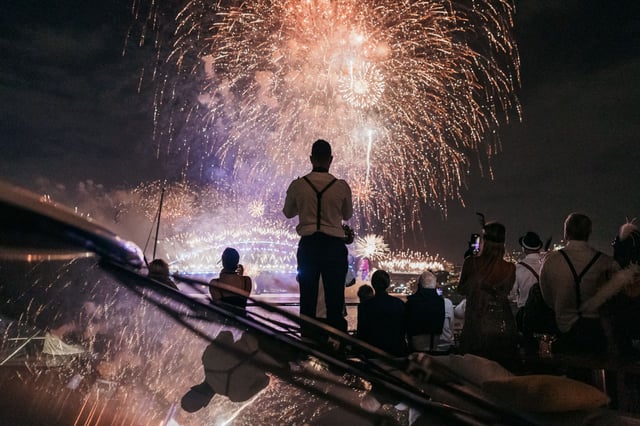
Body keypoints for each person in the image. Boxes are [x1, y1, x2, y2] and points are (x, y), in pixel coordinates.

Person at [283, 139, 353, 337]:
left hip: (309, 246)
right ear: (331, 160)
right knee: (335, 297)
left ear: (311, 159)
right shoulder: (341, 186)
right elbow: (347, 215)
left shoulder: (298, 185)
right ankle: (335, 344)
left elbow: (288, 212)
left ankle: (308, 341)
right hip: (334, 246)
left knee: (308, 297)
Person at [539, 213, 619, 355]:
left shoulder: (551, 260)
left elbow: (547, 296)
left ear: (566, 232)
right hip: (596, 330)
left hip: (563, 329)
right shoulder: (605, 262)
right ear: (589, 233)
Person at [457, 221, 518, 366]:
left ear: (484, 241)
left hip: (476, 326)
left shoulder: (471, 263)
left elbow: (461, 290)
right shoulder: (510, 268)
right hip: (503, 325)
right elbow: (505, 293)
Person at [357, 270, 408, 357]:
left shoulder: (364, 306)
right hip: (397, 351)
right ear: (387, 284)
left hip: (372, 353)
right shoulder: (399, 304)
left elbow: (361, 333)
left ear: (373, 284)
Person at [406, 271, 454, 354]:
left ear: (419, 286)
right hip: (443, 350)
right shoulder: (447, 303)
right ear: (435, 286)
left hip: (418, 350)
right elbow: (451, 327)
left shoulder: (410, 303)